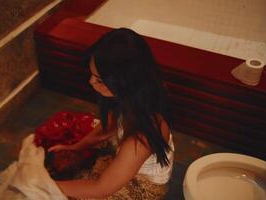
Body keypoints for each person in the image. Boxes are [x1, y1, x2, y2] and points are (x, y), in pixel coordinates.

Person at [48, 28, 174, 199]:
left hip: (144, 185)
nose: (90, 81)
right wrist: (75, 147)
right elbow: (107, 128)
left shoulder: (141, 139)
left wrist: (41, 184)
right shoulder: (135, 95)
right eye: (92, 74)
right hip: (131, 159)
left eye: (99, 79)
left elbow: (100, 189)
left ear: (125, 81)